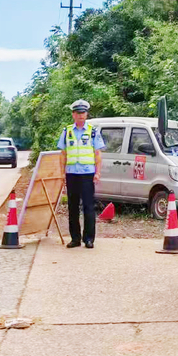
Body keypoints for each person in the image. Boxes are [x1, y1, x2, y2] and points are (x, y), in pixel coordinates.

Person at [57, 99, 105, 249]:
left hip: (87, 174)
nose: (80, 116)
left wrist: (98, 172)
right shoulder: (67, 131)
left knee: (89, 207)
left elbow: (98, 154)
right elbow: (63, 154)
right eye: (78, 113)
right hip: (71, 174)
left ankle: (89, 239)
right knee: (72, 207)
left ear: (86, 114)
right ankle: (75, 238)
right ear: (73, 115)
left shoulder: (92, 132)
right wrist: (62, 174)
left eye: (83, 113)